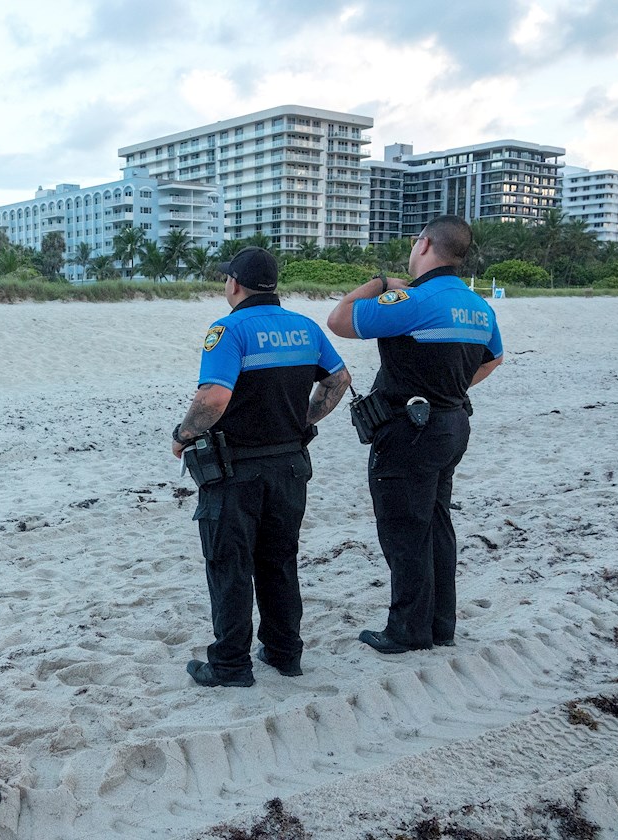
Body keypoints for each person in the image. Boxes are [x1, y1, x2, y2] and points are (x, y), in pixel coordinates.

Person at [173, 246, 350, 687]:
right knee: (279, 559)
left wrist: (182, 436)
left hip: (236, 470)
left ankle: (231, 665)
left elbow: (213, 398)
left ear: (233, 283)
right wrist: (304, 419)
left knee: (230, 563)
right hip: (291, 465)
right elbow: (339, 380)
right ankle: (284, 652)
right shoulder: (305, 328)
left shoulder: (228, 329)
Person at [326, 215, 503, 654]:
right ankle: (441, 624)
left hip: (409, 430)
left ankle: (407, 629)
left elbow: (339, 319)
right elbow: (493, 358)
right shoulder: (479, 306)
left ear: (423, 245)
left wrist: (380, 281)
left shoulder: (414, 300)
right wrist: (449, 388)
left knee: (404, 529)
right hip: (451, 424)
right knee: (437, 523)